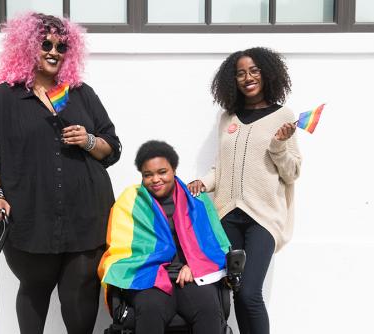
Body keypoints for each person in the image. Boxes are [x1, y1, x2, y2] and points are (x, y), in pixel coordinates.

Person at [0, 12, 121, 334]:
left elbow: (112, 147)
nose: (53, 51)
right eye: (45, 44)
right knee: (34, 289)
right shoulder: (5, 97)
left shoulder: (81, 94)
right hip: (29, 217)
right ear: (26, 47)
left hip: (86, 215)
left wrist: (90, 141)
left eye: (61, 46)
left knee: (80, 294)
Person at [188, 47, 302, 334]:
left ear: (267, 74)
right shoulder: (228, 118)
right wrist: (203, 182)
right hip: (228, 215)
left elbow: (293, 172)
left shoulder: (283, 116)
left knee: (250, 292)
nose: (247, 77)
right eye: (240, 73)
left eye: (254, 71)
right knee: (237, 291)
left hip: (263, 217)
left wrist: (278, 145)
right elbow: (220, 167)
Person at [98, 140, 231, 334]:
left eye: (162, 172)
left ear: (174, 170)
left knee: (208, 308)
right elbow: (120, 250)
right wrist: (154, 269)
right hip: (149, 277)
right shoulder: (129, 202)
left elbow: (216, 245)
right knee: (150, 308)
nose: (155, 179)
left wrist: (195, 266)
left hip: (191, 276)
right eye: (148, 175)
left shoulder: (197, 200)